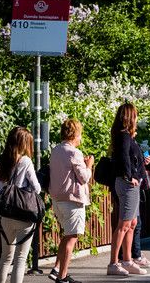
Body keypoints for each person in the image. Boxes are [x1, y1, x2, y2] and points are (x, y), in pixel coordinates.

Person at [0, 127, 41, 283]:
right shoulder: (25, 161)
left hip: (5, 216)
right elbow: (37, 188)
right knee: (20, 259)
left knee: (5, 257)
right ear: (23, 143)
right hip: (23, 215)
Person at [47, 119, 94, 283]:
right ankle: (62, 276)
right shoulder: (74, 153)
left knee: (66, 236)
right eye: (80, 134)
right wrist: (89, 165)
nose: (80, 138)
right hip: (73, 201)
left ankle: (57, 270)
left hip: (57, 200)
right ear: (75, 134)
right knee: (72, 237)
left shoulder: (56, 150)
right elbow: (84, 178)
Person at [106, 102, 147, 276]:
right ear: (130, 117)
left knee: (132, 223)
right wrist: (129, 176)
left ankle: (127, 260)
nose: (137, 118)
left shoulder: (127, 136)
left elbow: (131, 158)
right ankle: (114, 263)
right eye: (135, 115)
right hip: (128, 184)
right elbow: (123, 157)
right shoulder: (123, 136)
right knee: (123, 224)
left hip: (131, 184)